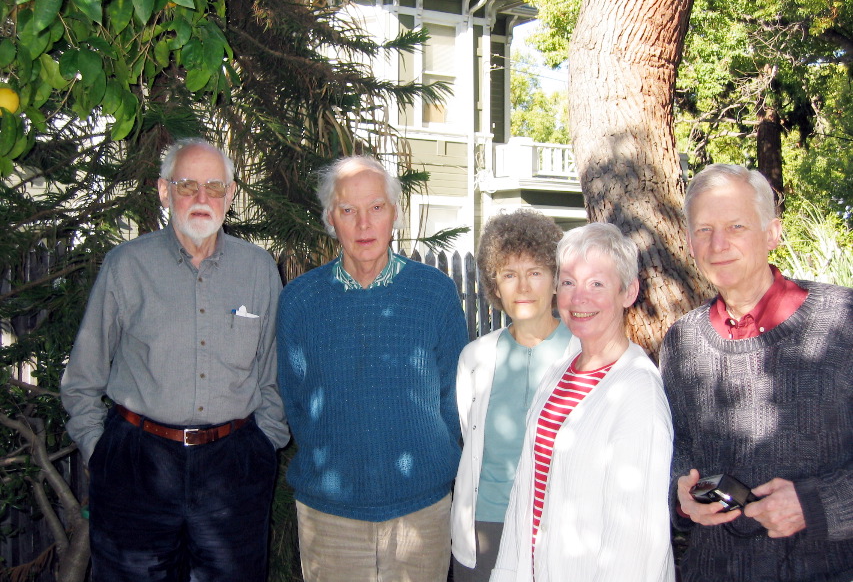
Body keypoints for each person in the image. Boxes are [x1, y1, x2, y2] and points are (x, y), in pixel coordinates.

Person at [60, 139, 289, 582]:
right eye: (187, 185)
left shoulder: (259, 269)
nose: (202, 199)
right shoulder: (127, 266)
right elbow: (83, 376)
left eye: (214, 187)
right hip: (137, 467)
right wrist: (100, 449)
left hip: (233, 470)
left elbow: (273, 372)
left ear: (232, 194)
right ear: (164, 192)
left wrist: (264, 444)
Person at [276, 155, 469, 582]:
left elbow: (455, 398)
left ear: (395, 215)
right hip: (329, 516)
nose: (364, 224)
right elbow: (294, 400)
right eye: (349, 211)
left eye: (376, 208)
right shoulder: (300, 301)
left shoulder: (434, 293)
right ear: (331, 219)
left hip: (421, 512)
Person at [660, 163, 853, 582]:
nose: (718, 244)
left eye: (736, 226)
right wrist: (681, 492)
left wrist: (817, 505)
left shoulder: (844, 323)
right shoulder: (681, 341)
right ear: (689, 243)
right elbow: (679, 446)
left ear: (773, 233)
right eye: (704, 230)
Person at [491, 222, 675, 582]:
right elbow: (526, 494)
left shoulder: (637, 392)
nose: (579, 298)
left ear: (628, 291)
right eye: (569, 282)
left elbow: (636, 542)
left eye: (597, 284)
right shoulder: (563, 368)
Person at [451, 210, 575, 582]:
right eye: (509, 274)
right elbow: (468, 437)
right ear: (495, 285)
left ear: (556, 279)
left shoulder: (583, 355)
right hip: (486, 529)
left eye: (535, 272)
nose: (522, 287)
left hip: (561, 529)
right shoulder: (475, 359)